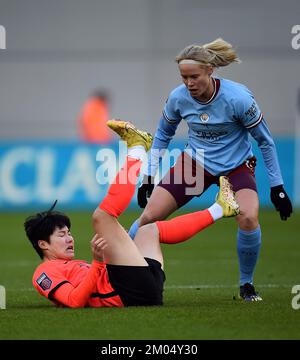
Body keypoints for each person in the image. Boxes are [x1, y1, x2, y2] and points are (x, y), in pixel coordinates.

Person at [128, 38, 293, 301]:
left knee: (249, 218)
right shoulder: (178, 98)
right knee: (149, 216)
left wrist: (278, 187)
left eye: (194, 76)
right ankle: (111, 269)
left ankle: (246, 285)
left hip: (236, 167)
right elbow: (162, 135)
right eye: (184, 78)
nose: (189, 84)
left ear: (210, 71)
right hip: (196, 164)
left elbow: (265, 141)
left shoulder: (238, 98)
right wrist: (148, 177)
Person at [24, 120, 239, 308]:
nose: (70, 238)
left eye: (68, 233)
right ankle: (137, 148)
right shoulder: (44, 273)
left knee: (149, 230)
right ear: (43, 244)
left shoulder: (70, 265)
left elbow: (98, 284)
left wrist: (118, 248)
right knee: (102, 218)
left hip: (144, 285)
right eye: (61, 235)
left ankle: (221, 207)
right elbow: (73, 301)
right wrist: (99, 261)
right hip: (129, 291)